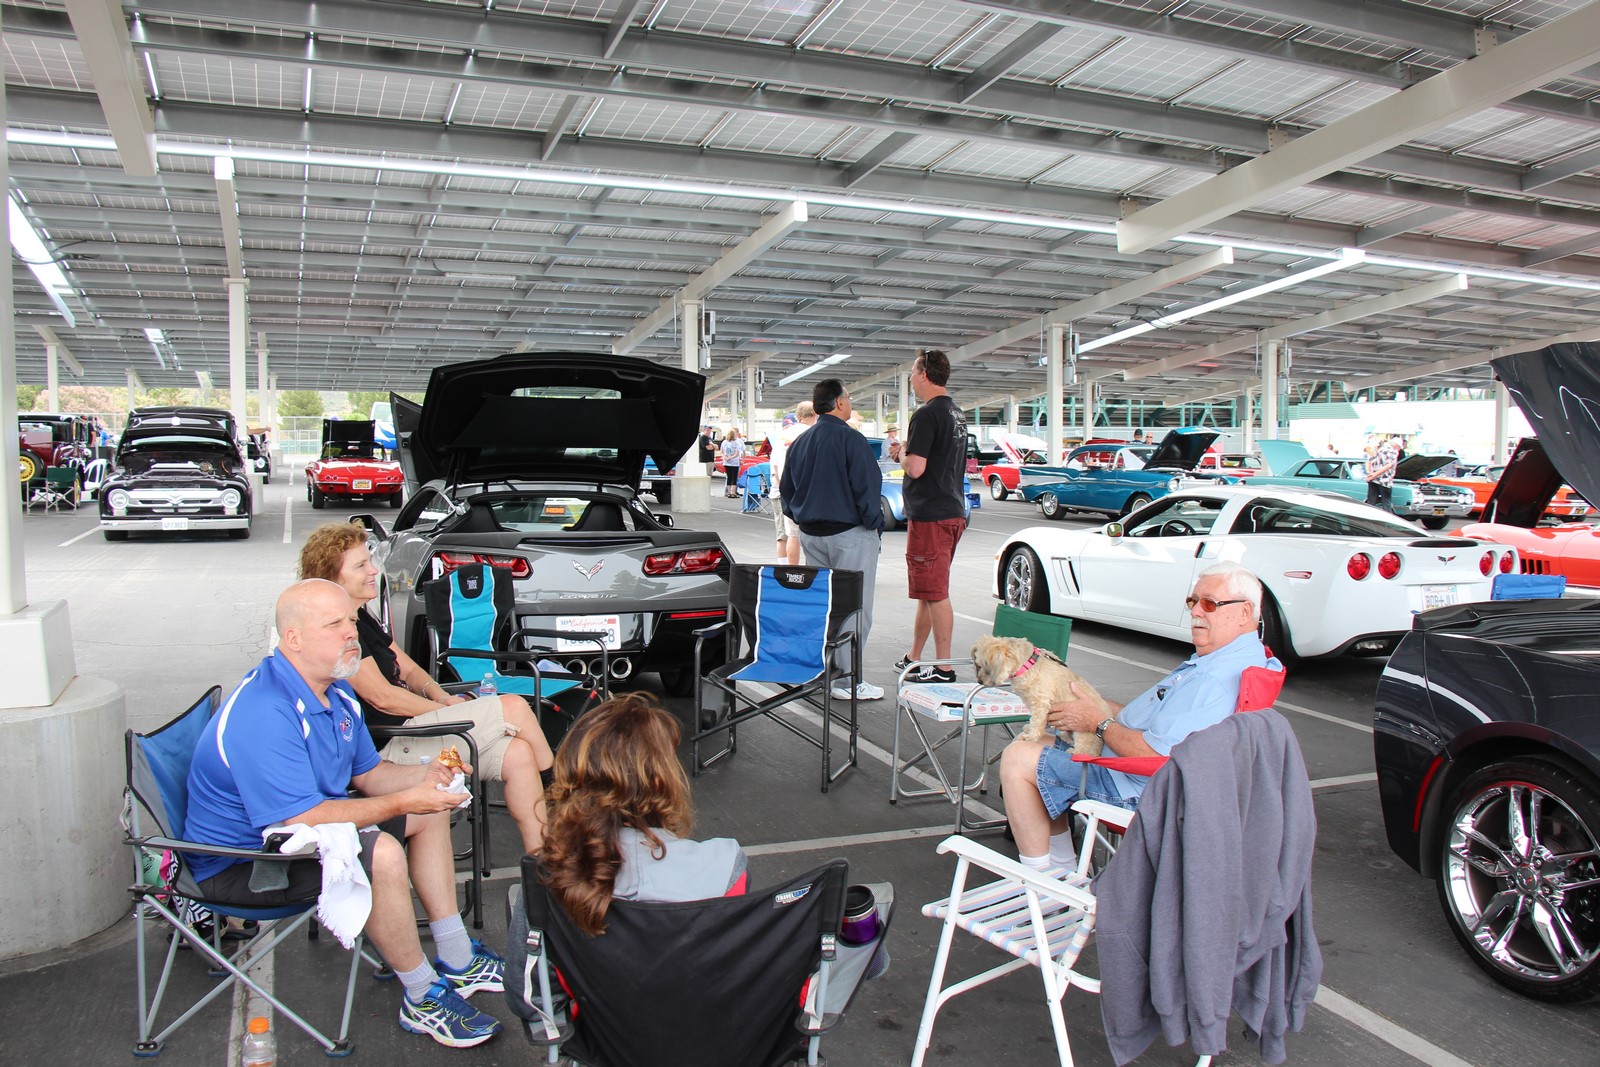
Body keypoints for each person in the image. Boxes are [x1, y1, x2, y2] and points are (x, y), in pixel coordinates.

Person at [184, 579, 505, 1049]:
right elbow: (304, 818)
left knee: (429, 811)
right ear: (293, 639)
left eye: (351, 622)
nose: (351, 634)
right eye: (334, 625)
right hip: (243, 864)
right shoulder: (264, 710)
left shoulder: (334, 692)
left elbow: (369, 775)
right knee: (382, 854)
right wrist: (403, 801)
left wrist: (425, 778)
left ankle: (457, 955)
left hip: (294, 835)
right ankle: (420, 996)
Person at [998, 562, 1283, 871]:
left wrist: (1098, 722)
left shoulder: (1215, 680)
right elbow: (1158, 721)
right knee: (1038, 741)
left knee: (1017, 759)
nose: (1196, 611)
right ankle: (1062, 869)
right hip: (1141, 771)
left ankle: (1040, 884)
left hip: (1142, 790)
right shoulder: (1233, 658)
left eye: (1210, 603)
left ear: (1244, 613)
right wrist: (1090, 702)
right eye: (1193, 601)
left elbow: (1154, 755)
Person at [298, 521, 556, 853]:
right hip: (391, 745)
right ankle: (559, 790)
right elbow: (384, 697)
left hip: (416, 730)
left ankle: (545, 859)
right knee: (514, 707)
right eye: (361, 565)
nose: (373, 570)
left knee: (518, 754)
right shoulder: (340, 630)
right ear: (332, 576)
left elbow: (406, 665)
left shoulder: (360, 617)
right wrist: (447, 709)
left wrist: (439, 693)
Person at [539, 692, 748, 936]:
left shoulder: (550, 877)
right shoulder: (726, 867)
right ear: (663, 781)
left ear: (574, 780)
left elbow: (525, 970)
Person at [780, 378, 885, 702]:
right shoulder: (851, 440)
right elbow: (868, 488)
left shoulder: (801, 442)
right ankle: (846, 681)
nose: (850, 402)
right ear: (839, 403)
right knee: (854, 608)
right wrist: (873, 526)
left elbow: (787, 490)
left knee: (824, 605)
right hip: (849, 535)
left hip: (813, 535)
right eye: (849, 397)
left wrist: (802, 517)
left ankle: (824, 673)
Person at [890, 350, 968, 685]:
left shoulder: (926, 414)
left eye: (912, 372)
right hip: (952, 509)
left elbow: (917, 467)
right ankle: (915, 656)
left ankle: (944, 667)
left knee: (935, 592)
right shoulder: (956, 412)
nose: (910, 378)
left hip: (931, 515)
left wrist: (902, 454)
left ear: (924, 374)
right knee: (927, 589)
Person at [771, 402, 816, 563]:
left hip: (781, 490)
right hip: (804, 492)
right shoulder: (812, 434)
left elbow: (776, 466)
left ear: (798, 416)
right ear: (816, 414)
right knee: (811, 535)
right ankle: (805, 571)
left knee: (787, 535)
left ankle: (787, 571)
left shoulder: (783, 435)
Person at [1365, 434, 1399, 513]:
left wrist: (1370, 473)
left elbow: (1368, 461)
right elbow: (1389, 465)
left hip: (1373, 480)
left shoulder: (1378, 450)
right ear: (1396, 446)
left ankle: (1368, 521)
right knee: (1386, 503)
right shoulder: (1393, 452)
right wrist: (1375, 474)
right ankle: (1387, 523)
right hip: (1385, 481)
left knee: (1371, 502)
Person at [721, 429, 745, 498]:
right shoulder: (737, 442)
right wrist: (731, 457)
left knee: (729, 477)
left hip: (726, 462)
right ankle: (733, 492)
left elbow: (722, 451)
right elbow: (737, 453)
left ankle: (728, 492)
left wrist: (725, 457)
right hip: (734, 462)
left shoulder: (724, 442)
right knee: (734, 477)